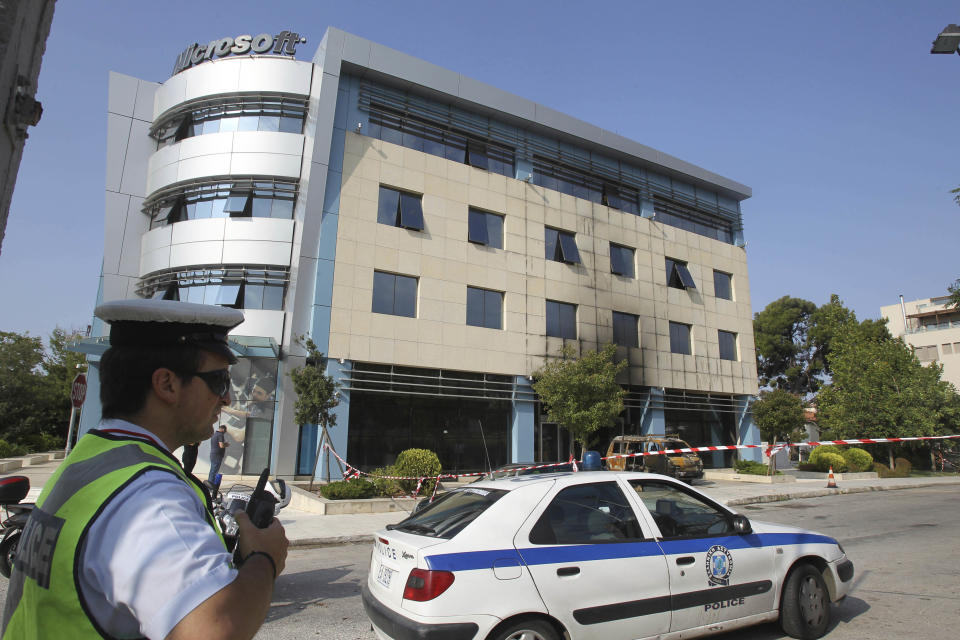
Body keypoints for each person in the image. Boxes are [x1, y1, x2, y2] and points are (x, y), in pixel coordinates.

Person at [1, 299, 288, 639]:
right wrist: (264, 559)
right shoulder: (149, 495)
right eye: (219, 381)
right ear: (167, 384)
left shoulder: (91, 457)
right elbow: (215, 629)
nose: (226, 399)